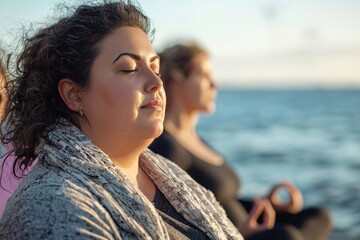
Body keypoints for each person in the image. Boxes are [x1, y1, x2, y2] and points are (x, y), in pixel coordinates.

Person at [0, 2, 243, 239]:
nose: (156, 82)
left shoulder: (172, 177)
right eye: (128, 68)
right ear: (73, 95)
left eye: (155, 68)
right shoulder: (51, 209)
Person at [149, 42, 333, 240]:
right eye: (204, 76)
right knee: (287, 236)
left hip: (244, 228)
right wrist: (236, 235)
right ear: (177, 81)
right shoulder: (166, 146)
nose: (215, 85)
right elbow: (172, 222)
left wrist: (266, 204)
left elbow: (225, 201)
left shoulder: (196, 139)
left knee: (319, 216)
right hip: (228, 236)